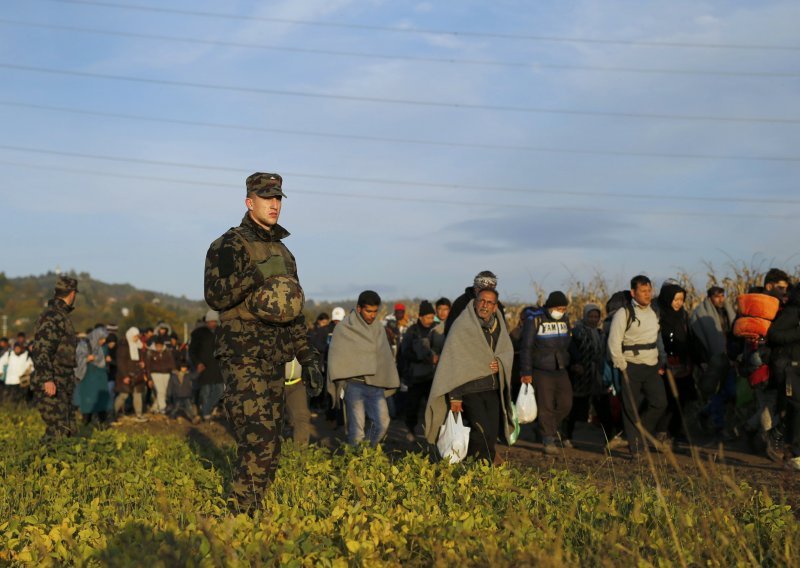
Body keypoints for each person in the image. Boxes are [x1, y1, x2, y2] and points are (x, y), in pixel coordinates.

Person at [204, 171, 321, 514]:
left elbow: (294, 310)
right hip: (241, 353)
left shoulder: (285, 253)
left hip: (275, 355)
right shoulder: (229, 245)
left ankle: (254, 509)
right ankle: (240, 515)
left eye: (278, 198)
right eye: (267, 198)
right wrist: (250, 276)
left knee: (272, 441)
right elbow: (215, 295)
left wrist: (307, 353)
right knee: (257, 436)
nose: (274, 204)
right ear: (248, 202)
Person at [425, 287, 515, 464]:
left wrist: (500, 363)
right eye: (481, 300)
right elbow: (453, 362)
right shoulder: (461, 326)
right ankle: (477, 465)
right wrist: (455, 396)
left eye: (489, 302)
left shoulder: (498, 326)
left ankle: (481, 464)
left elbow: (506, 351)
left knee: (491, 433)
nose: (485, 305)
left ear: (495, 306)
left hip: (492, 386)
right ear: (475, 302)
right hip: (469, 388)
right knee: (479, 430)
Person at [327, 290, 400, 447]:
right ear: (359, 308)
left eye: (375, 311)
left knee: (383, 423)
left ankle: (367, 450)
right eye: (368, 311)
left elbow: (384, 357)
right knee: (357, 430)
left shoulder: (378, 328)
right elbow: (336, 357)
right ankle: (357, 462)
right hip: (354, 385)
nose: (372, 315)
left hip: (375, 384)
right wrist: (340, 384)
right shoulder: (344, 328)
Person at [607, 275, 668, 456]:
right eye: (643, 291)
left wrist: (660, 360)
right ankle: (635, 448)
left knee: (660, 403)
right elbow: (614, 342)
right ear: (633, 293)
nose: (647, 294)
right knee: (630, 407)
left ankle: (639, 434)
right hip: (631, 365)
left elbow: (657, 339)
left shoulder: (653, 312)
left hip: (651, 365)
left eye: (649, 290)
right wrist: (621, 365)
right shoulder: (623, 314)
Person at [519, 291, 572, 454]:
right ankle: (548, 439)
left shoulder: (565, 319)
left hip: (561, 367)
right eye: (558, 308)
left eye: (564, 309)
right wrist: (526, 371)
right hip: (541, 369)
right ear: (550, 307)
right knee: (546, 405)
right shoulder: (535, 320)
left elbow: (569, 342)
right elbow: (526, 347)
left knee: (566, 404)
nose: (561, 311)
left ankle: (545, 428)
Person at [29, 275, 79, 439]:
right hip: (53, 380)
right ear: (72, 293)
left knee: (68, 428)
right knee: (58, 430)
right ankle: (42, 463)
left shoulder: (60, 316)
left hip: (62, 381)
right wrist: (47, 379)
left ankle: (64, 463)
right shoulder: (54, 316)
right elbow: (41, 349)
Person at [655, 283, 696, 443]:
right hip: (666, 364)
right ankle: (661, 431)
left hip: (683, 365)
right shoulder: (659, 317)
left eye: (681, 299)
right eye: (676, 299)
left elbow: (688, 339)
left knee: (682, 399)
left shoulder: (683, 316)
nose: (679, 303)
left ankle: (676, 430)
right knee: (668, 400)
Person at [767, 286, 800, 470]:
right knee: (796, 407)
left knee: (795, 409)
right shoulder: (792, 313)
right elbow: (773, 334)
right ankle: (792, 452)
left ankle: (784, 444)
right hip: (790, 368)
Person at [565, 303, 605, 448]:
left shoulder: (599, 333)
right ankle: (567, 435)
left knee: (598, 404)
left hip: (594, 376)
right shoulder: (577, 332)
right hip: (579, 375)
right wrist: (576, 364)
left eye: (596, 316)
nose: (594, 319)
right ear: (585, 316)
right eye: (591, 316)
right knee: (574, 406)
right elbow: (571, 350)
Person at [398, 300, 439, 441]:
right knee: (413, 407)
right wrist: (422, 358)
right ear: (420, 317)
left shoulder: (437, 330)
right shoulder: (412, 331)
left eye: (432, 317)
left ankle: (433, 433)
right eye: (427, 317)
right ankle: (410, 430)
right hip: (415, 377)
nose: (430, 320)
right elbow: (405, 352)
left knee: (433, 407)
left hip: (433, 377)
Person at [444, 271, 505, 337]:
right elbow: (450, 330)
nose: (485, 304)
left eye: (489, 289)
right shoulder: (461, 303)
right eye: (480, 288)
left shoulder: (497, 305)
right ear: (475, 287)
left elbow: (503, 332)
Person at [190, 310, 224, 421]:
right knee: (205, 392)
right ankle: (206, 414)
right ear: (207, 321)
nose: (213, 324)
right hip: (204, 367)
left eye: (215, 321)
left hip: (218, 367)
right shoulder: (199, 333)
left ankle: (205, 410)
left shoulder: (221, 331)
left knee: (219, 391)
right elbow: (192, 351)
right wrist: (197, 363)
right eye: (211, 321)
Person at [75, 326, 110, 424]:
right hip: (87, 378)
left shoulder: (101, 347)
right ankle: (86, 422)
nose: (103, 341)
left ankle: (102, 423)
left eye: (104, 339)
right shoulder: (84, 345)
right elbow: (76, 360)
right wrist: (87, 359)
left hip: (99, 378)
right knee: (88, 400)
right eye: (101, 339)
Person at [114, 327, 149, 422]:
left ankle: (138, 414)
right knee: (123, 395)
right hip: (126, 375)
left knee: (138, 394)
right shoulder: (123, 346)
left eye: (137, 336)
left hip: (137, 375)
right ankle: (113, 414)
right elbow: (121, 362)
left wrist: (142, 363)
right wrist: (125, 376)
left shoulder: (139, 346)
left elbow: (142, 358)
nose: (136, 338)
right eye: (135, 336)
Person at [283, 357, 313, 445]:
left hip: (297, 382)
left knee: (302, 416)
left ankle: (299, 455)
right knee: (269, 418)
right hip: (272, 382)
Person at [146, 336, 176, 415]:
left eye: (160, 346)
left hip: (166, 373)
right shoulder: (150, 352)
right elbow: (148, 366)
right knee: (160, 391)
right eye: (157, 346)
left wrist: (174, 371)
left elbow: (172, 363)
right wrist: (149, 378)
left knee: (165, 392)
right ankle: (163, 408)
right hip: (155, 374)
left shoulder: (167, 352)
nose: (159, 347)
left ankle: (155, 407)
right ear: (155, 345)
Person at [0, 341, 34, 406]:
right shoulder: (9, 354)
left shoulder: (26, 355)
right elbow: (1, 362)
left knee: (19, 399)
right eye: (16, 348)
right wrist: (0, 371)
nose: (17, 350)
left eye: (18, 348)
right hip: (9, 381)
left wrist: (27, 372)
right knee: (8, 399)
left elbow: (31, 366)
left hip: (20, 383)